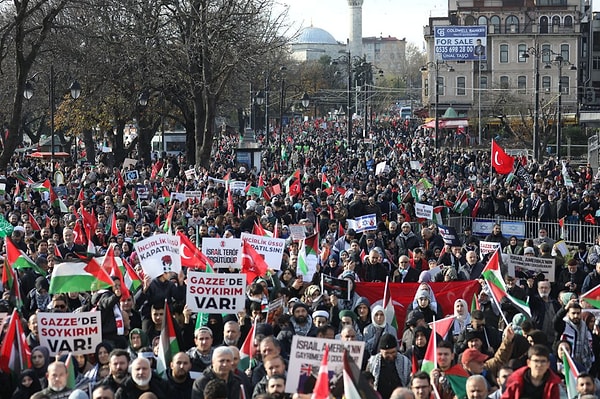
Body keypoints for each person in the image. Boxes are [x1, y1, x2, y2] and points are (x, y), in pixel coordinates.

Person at [367, 333, 411, 399]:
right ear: (381, 351)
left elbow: (409, 382)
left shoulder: (405, 362)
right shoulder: (372, 362)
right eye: (387, 353)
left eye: (393, 352)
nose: (390, 356)